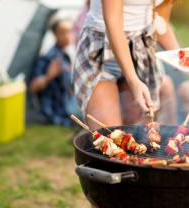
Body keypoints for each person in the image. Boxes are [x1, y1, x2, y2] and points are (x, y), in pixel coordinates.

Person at [73, 0, 179, 129]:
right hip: (100, 49)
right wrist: (134, 80)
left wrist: (180, 57)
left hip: (140, 51)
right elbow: (113, 22)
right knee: (111, 138)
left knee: (137, 138)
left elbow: (160, 21)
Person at [30, 17, 77, 126]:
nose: (67, 36)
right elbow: (33, 87)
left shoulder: (65, 55)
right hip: (54, 110)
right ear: (55, 34)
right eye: (62, 32)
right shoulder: (48, 57)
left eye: (70, 31)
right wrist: (48, 76)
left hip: (66, 104)